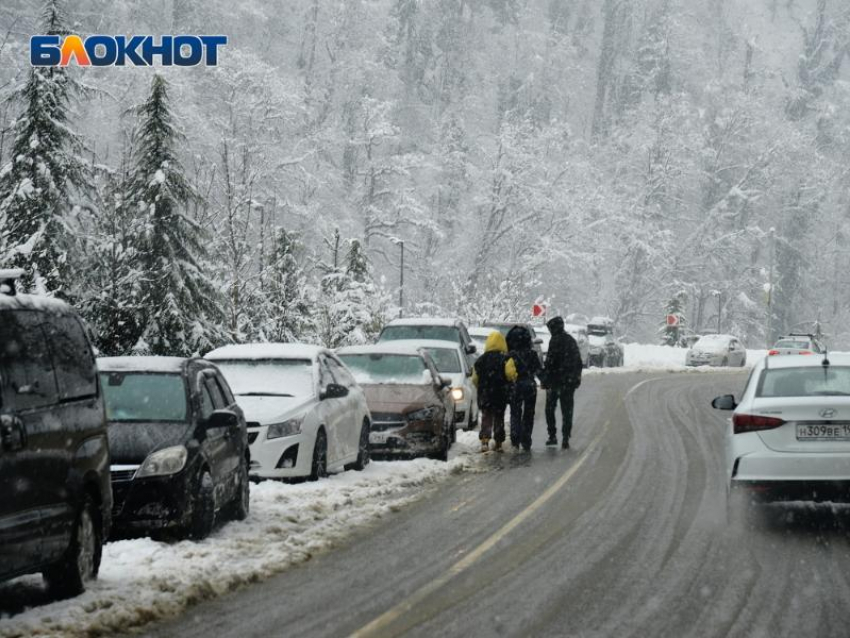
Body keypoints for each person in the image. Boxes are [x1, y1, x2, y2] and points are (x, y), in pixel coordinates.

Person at [472, 331, 517, 452]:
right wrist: (513, 377)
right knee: (499, 418)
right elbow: (510, 374)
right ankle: (498, 442)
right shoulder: (505, 359)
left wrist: (482, 387)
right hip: (500, 394)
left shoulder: (480, 360)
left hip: (485, 393)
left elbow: (474, 379)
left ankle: (485, 440)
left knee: (486, 417)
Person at [542, 316, 583, 449]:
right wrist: (576, 378)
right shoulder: (571, 340)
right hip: (568, 383)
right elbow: (578, 362)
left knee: (550, 409)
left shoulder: (554, 341)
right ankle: (566, 436)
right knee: (567, 410)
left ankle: (552, 435)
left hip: (555, 382)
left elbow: (550, 363)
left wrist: (546, 380)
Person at [506, 325, 542, 451]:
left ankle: (515, 438)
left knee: (515, 412)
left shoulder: (509, 355)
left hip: (515, 386)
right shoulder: (532, 354)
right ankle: (526, 438)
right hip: (529, 386)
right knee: (529, 413)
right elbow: (538, 370)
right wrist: (546, 381)